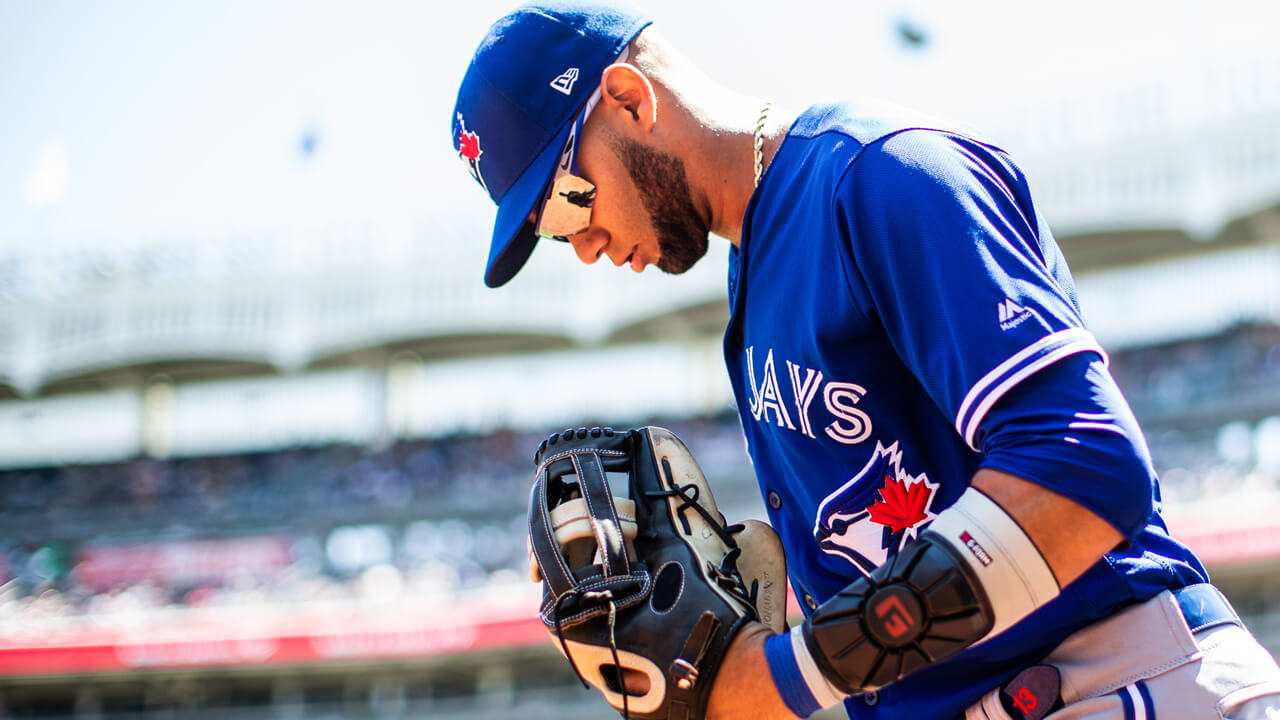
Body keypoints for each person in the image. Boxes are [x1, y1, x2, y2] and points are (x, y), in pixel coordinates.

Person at [450, 2, 1280, 718]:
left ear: (628, 99)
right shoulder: (754, 280)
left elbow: (1086, 465)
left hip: (1119, 681)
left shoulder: (878, 173)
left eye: (564, 200)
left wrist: (779, 677)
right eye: (549, 235)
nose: (581, 245)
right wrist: (750, 592)